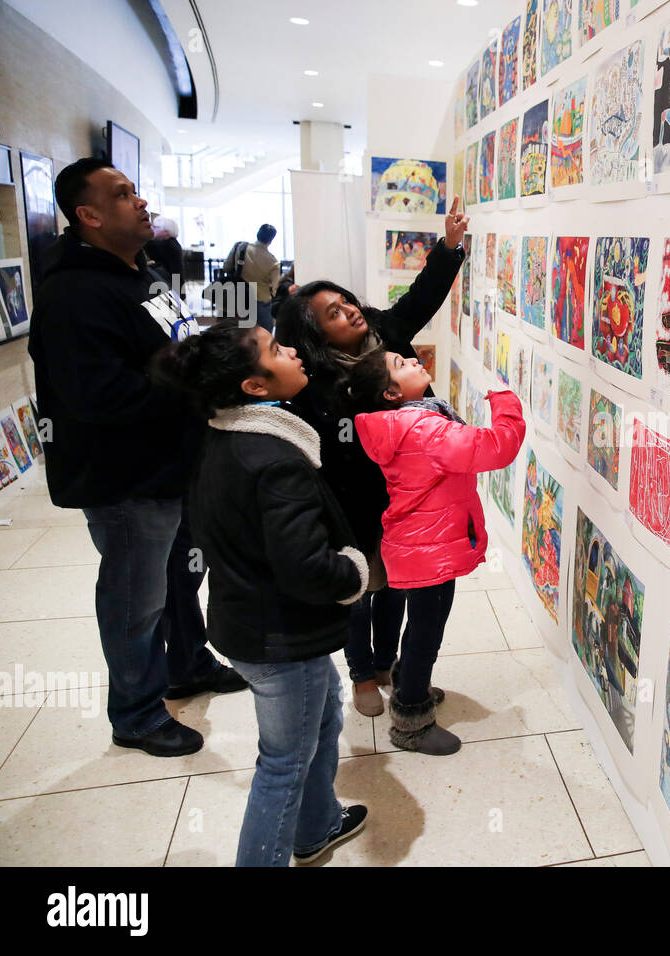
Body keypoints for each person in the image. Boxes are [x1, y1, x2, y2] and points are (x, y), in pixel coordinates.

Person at [28, 157, 245, 758]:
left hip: (173, 467)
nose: (142, 202)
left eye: (136, 191)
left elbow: (173, 346)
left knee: (182, 577)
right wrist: (197, 382)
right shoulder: (76, 292)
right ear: (89, 215)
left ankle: (189, 666)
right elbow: (99, 395)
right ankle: (137, 713)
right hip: (127, 479)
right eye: (123, 195)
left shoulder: (140, 273)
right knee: (135, 597)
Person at [153, 320, 370, 866]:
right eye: (276, 349)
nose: (292, 350)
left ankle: (316, 826)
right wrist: (354, 573)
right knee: (283, 763)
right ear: (254, 387)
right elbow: (307, 569)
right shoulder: (273, 460)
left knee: (325, 718)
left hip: (256, 622)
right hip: (279, 636)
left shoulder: (226, 434)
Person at [274, 197, 467, 717]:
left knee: (397, 585)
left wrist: (449, 248)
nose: (350, 311)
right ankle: (361, 673)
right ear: (315, 334)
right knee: (361, 587)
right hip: (347, 498)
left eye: (346, 301)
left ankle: (387, 664)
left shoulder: (384, 335)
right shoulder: (309, 380)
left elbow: (421, 300)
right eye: (333, 313)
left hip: (401, 493)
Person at [347, 349, 524, 754]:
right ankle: (411, 719)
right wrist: (505, 401)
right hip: (427, 549)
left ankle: (408, 678)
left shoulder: (402, 422)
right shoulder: (424, 428)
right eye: (400, 365)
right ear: (391, 394)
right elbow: (496, 447)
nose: (412, 361)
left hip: (420, 545)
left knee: (424, 626)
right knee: (427, 633)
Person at [241, 224, 281, 332]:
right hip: (261, 300)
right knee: (264, 334)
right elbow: (274, 286)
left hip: (239, 297)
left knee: (241, 334)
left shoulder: (241, 249)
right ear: (271, 239)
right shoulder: (273, 262)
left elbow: (227, 267)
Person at [145, 215, 184, 293]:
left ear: (166, 232)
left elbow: (148, 244)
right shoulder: (173, 243)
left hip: (170, 286)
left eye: (155, 227)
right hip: (174, 284)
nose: (152, 229)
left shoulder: (167, 244)